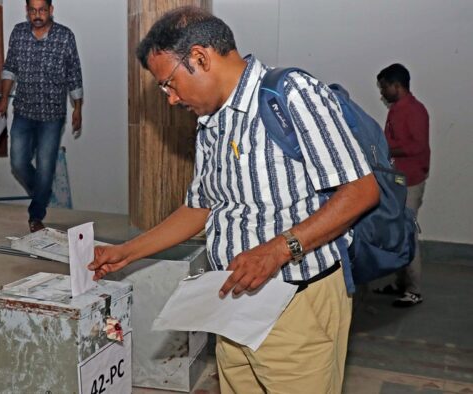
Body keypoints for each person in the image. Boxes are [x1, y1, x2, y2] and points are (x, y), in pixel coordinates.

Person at [88, 7, 380, 393]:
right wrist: (128, 251)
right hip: (234, 300)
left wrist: (277, 250)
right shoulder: (211, 122)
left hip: (296, 302)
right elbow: (202, 206)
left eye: (169, 84)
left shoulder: (292, 96)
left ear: (200, 58)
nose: (171, 99)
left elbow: (361, 191)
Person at [0, 0, 83, 233]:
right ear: (27, 11)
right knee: (17, 162)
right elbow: (9, 67)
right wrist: (4, 98)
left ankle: (36, 215)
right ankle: (42, 193)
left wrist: (78, 108)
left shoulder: (65, 36)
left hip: (52, 116)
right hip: (23, 111)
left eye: (42, 10)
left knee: (45, 167)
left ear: (50, 10)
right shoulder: (18, 33)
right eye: (33, 10)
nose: (37, 15)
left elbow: (74, 73)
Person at [374, 63, 430, 307]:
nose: (382, 93)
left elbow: (416, 146)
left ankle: (414, 290)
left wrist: (385, 149)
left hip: (410, 182)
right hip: (398, 181)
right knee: (396, 232)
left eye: (385, 87)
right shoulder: (397, 109)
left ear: (397, 86)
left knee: (407, 233)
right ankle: (401, 284)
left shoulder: (414, 111)